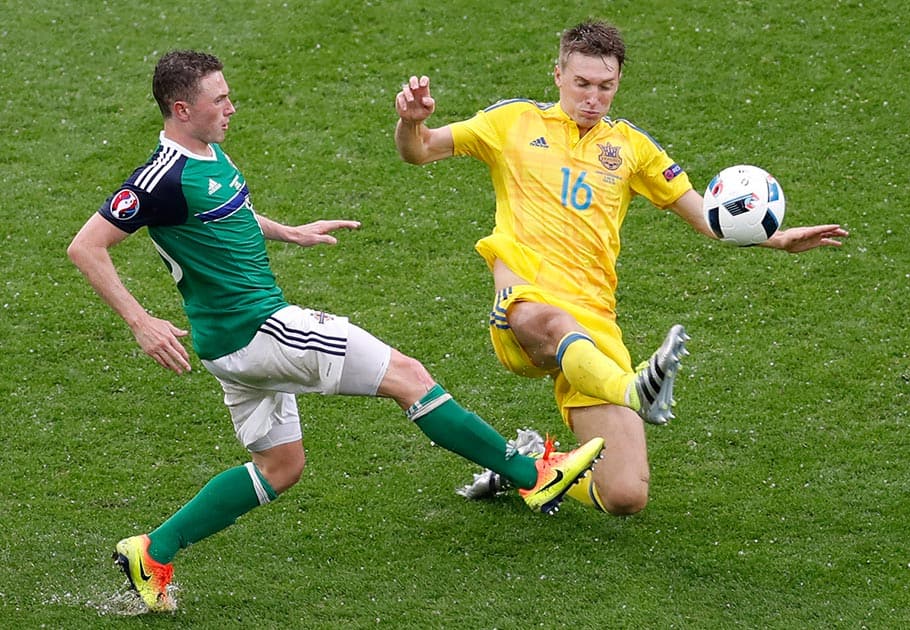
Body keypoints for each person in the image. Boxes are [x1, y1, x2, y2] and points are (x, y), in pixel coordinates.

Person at [67, 50, 605, 613]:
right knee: (409, 378)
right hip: (260, 329)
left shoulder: (207, 154)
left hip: (229, 347)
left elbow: (226, 212)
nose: (232, 106)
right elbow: (87, 247)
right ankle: (532, 473)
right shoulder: (161, 178)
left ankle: (153, 550)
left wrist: (288, 232)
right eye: (219, 99)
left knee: (281, 467)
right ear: (182, 108)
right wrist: (141, 321)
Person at [394, 20, 848, 517]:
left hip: (594, 319)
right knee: (547, 320)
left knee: (625, 496)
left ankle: (529, 465)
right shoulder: (512, 123)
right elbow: (419, 151)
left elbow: (706, 215)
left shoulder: (632, 148)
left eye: (605, 86)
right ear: (558, 75)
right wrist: (411, 122)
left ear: (618, 83)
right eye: (582, 84)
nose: (593, 97)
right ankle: (634, 389)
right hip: (524, 299)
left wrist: (778, 238)